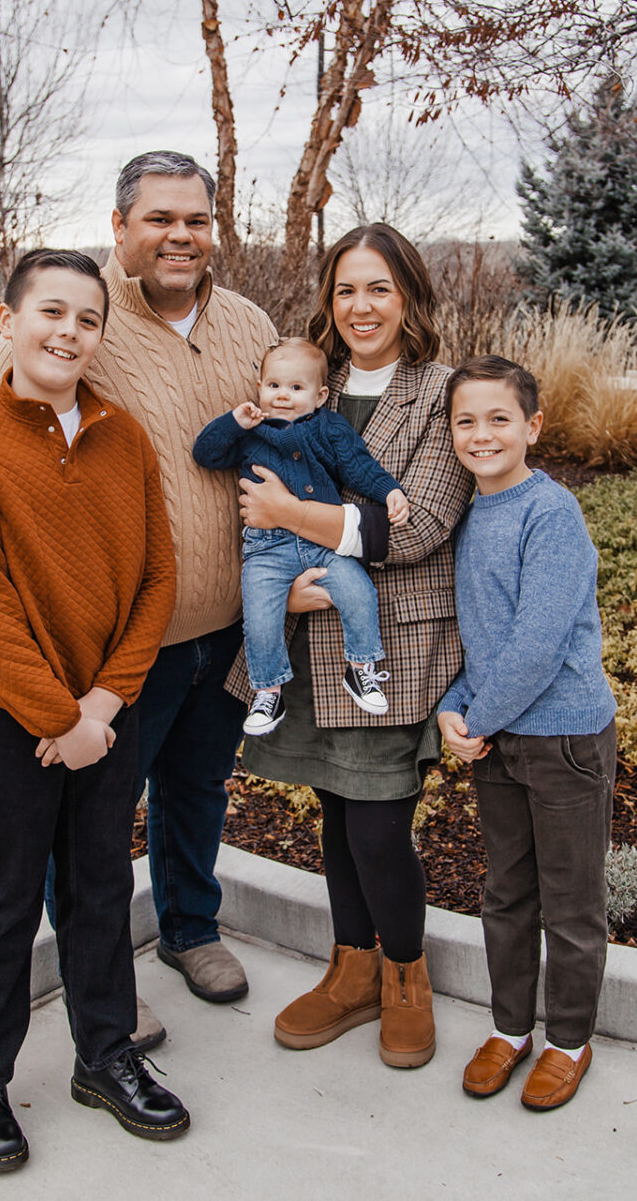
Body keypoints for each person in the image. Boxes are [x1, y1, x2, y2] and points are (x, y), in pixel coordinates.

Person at [0, 152, 278, 1046]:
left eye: (195, 219)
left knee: (198, 789)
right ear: (121, 226)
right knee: (93, 820)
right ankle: (102, 970)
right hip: (118, 642)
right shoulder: (71, 313)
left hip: (226, 627)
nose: (179, 236)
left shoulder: (248, 323)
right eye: (159, 219)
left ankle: (190, 927)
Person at [0, 250, 186, 1172]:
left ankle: (105, 1054)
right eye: (51, 312)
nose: (68, 330)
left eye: (87, 318)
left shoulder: (125, 437)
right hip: (14, 709)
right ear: (7, 320)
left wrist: (104, 705)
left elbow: (158, 575)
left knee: (100, 884)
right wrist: (57, 719)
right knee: (3, 892)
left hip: (110, 705)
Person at [228, 223, 474, 1070]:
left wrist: (293, 521)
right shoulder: (306, 388)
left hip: (392, 651)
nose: (361, 307)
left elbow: (421, 527)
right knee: (333, 813)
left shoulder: (443, 392)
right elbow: (248, 489)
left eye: (378, 288)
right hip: (307, 636)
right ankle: (352, 967)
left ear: (409, 295)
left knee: (376, 822)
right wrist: (279, 575)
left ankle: (407, 975)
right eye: (345, 290)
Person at [436, 355, 617, 1111]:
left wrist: (476, 716)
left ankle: (568, 1042)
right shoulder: (472, 511)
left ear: (532, 427)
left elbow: (539, 642)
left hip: (565, 738)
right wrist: (454, 701)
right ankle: (510, 1029)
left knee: (571, 903)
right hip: (499, 737)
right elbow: (480, 633)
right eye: (466, 421)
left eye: (499, 419)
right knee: (507, 891)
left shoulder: (551, 514)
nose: (482, 435)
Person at [193, 336, 409, 737]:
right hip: (266, 550)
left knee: (359, 593)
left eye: (296, 388)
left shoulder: (329, 427)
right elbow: (206, 454)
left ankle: (362, 668)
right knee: (260, 618)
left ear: (320, 394)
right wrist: (232, 423)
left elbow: (358, 467)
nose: (283, 397)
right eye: (274, 386)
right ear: (260, 388)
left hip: (324, 544)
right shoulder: (251, 430)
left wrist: (389, 490)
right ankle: (267, 692)